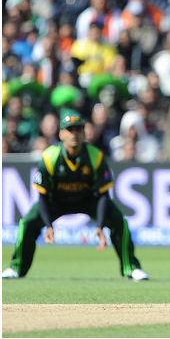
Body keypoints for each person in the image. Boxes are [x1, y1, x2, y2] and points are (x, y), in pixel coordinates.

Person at [2, 109, 148, 281]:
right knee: (28, 223)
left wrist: (100, 225)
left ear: (84, 132)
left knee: (118, 221)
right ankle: (16, 268)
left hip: (88, 200)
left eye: (78, 129)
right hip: (56, 201)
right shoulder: (49, 157)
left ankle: (131, 267)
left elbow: (103, 195)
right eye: (70, 130)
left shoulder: (95, 156)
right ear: (61, 133)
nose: (74, 134)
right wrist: (48, 225)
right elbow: (42, 196)